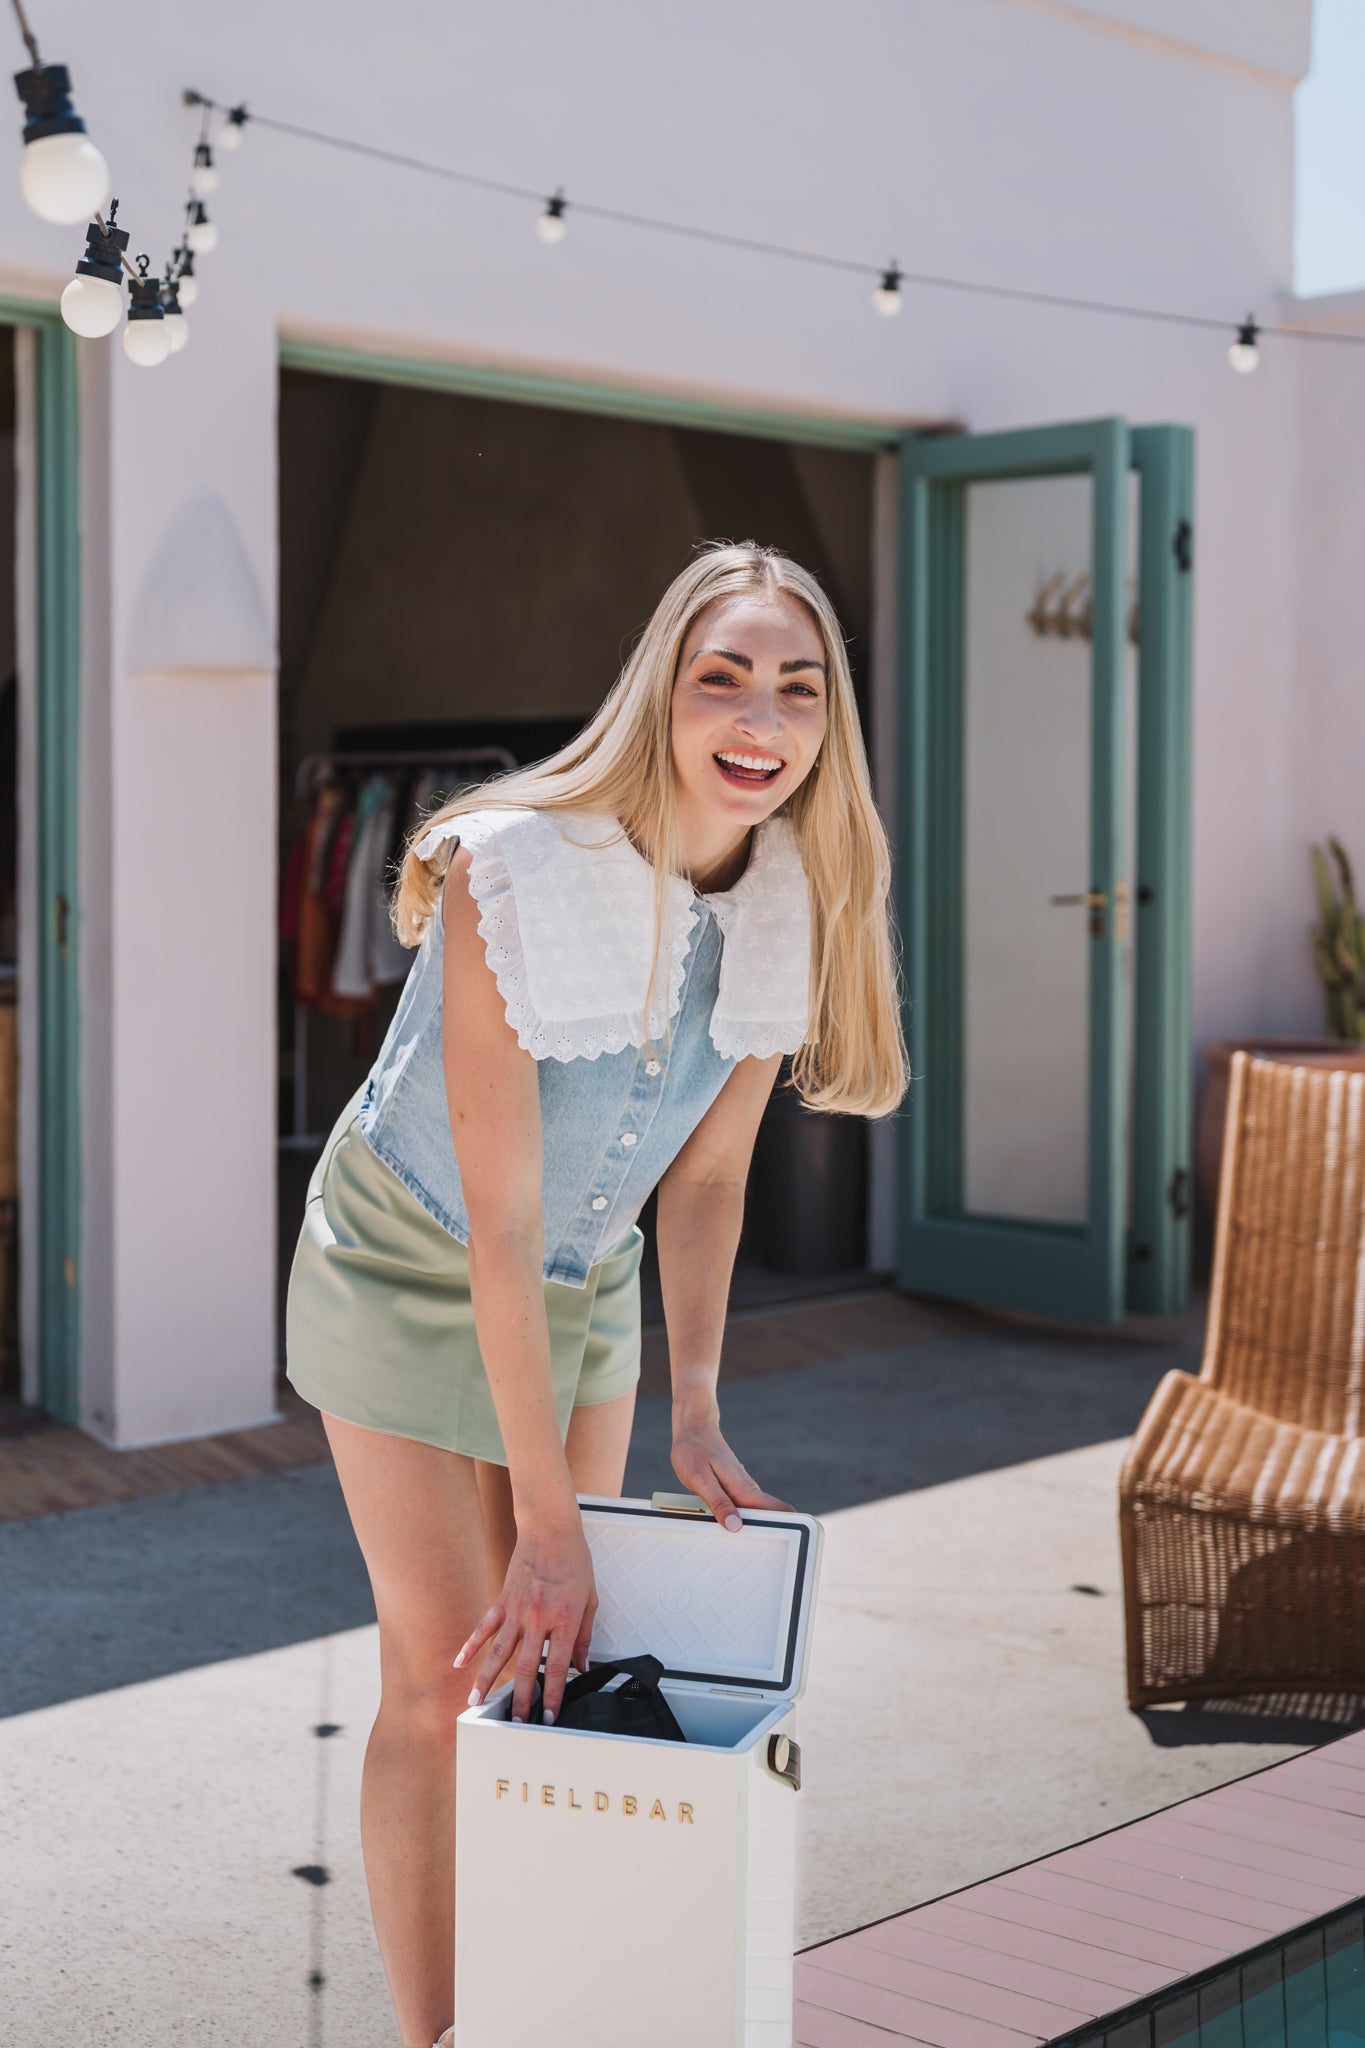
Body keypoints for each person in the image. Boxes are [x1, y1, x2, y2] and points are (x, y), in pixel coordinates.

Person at [284, 540, 909, 2048]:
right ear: (662, 697)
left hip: (585, 1280)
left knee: (544, 1673)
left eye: (796, 689)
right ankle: (433, 2036)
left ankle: (527, 2002)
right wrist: (553, 1532)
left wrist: (692, 1404)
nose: (758, 717)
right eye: (722, 679)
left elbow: (698, 1186)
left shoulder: (788, 901)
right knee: (445, 1671)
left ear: (828, 726)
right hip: (408, 1254)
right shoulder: (516, 870)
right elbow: (495, 1229)